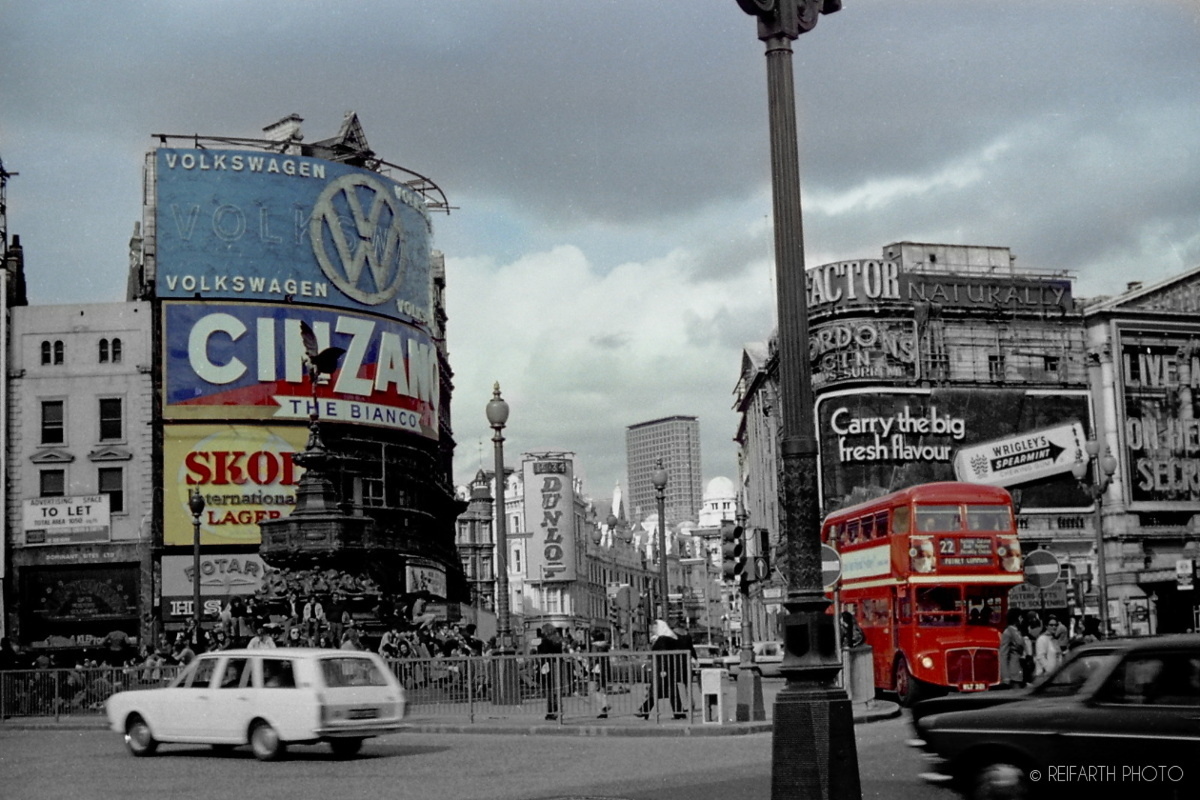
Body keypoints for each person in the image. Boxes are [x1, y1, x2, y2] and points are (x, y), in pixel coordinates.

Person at [638, 620, 687, 720]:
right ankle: (679, 713)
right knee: (670, 692)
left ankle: (644, 710)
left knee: (657, 691)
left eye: (655, 627)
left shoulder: (663, 640)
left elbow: (664, 656)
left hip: (663, 670)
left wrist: (663, 669)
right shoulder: (666, 638)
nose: (653, 629)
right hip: (664, 669)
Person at [534, 623, 564, 720]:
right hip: (557, 665)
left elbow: (542, 653)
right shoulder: (557, 640)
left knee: (549, 689)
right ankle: (558, 709)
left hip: (547, 666)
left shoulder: (545, 641)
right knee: (556, 689)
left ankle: (551, 711)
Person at [999, 608, 1025, 688]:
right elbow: (1003, 655)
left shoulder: (1017, 631)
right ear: (1016, 618)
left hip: (1019, 670)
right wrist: (1006, 676)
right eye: (1020, 617)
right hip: (1013, 673)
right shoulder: (1008, 632)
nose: (1022, 619)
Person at [590, 633, 612, 718]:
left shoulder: (595, 646)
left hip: (596, 670)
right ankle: (604, 712)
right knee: (602, 689)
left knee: (592, 690)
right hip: (604, 669)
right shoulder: (605, 646)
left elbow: (594, 658)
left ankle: (605, 705)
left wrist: (589, 667)